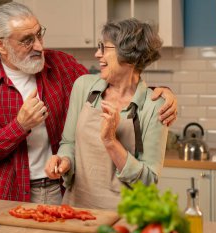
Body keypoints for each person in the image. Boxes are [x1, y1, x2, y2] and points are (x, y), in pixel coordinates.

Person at [0, 2, 176, 204]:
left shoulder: (62, 66)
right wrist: (20, 126)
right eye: (27, 40)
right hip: (8, 195)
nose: (39, 46)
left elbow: (115, 81)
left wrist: (156, 93)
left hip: (60, 191)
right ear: (1, 44)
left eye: (39, 34)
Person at [44, 18, 169, 210]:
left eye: (104, 48)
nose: (97, 54)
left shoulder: (154, 105)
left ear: (129, 54)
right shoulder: (83, 87)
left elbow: (148, 181)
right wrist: (64, 161)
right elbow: (68, 143)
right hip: (75, 209)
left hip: (125, 217)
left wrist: (111, 141)